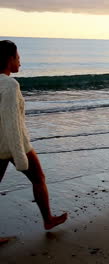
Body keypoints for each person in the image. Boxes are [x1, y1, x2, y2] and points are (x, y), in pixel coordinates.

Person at [0, 40, 67, 244]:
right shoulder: (10, 84)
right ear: (9, 59)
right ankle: (48, 220)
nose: (20, 61)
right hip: (13, 144)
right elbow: (12, 121)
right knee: (38, 178)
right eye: (18, 57)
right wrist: (19, 155)